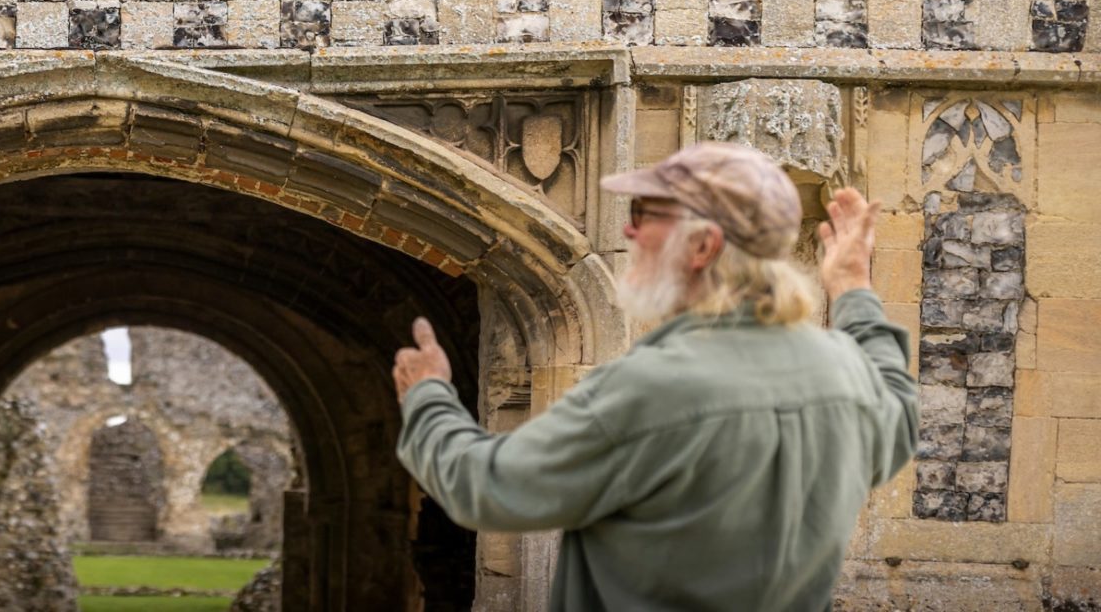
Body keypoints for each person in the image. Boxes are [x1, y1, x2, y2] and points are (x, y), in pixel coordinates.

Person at [393, 142, 919, 611]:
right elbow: (897, 407)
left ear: (702, 246)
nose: (627, 228)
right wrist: (853, 287)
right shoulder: (847, 374)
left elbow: (483, 488)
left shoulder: (651, 387)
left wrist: (428, 398)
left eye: (645, 212)